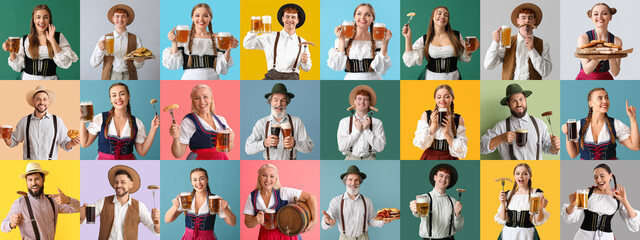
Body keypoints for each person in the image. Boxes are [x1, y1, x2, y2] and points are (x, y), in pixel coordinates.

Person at [79, 82, 160, 160]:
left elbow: (142, 152)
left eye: (122, 94)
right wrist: (82, 121)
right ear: (111, 99)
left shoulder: (137, 123)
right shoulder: (100, 118)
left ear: (128, 96)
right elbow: (84, 143)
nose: (118, 98)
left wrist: (153, 128)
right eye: (114, 95)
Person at [480, 83, 560, 160]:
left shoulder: (539, 124)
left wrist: (554, 147)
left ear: (525, 100)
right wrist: (501, 138)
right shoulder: (501, 126)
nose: (519, 104)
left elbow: (549, 149)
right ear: (508, 104)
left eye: (521, 99)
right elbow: (481, 147)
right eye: (513, 101)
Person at [1, 162, 80, 240]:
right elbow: (2, 227)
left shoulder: (52, 201)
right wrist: (10, 224)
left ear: (43, 179)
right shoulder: (20, 203)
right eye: (30, 180)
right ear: (26, 182)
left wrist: (68, 200)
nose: (33, 183)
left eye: (37, 179)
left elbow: (77, 208)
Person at [561, 163, 640, 240]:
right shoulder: (586, 193)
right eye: (595, 177)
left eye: (602, 176)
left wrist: (625, 201)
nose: (599, 180)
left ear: (610, 176)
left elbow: (635, 225)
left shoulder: (617, 197)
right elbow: (569, 219)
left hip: (607, 237)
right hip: (584, 236)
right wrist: (572, 204)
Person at [80, 165, 160, 239]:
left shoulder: (140, 206)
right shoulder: (103, 202)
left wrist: (157, 223)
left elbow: (156, 231)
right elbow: (85, 220)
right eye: (116, 182)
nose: (118, 185)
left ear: (131, 184)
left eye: (123, 182)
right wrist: (82, 217)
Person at [162, 3, 238, 80]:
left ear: (210, 18)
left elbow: (222, 69)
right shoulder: (183, 37)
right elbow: (174, 65)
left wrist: (229, 48)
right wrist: (174, 42)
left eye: (205, 16)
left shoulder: (218, 38)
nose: (201, 19)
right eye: (197, 15)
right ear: (192, 18)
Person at [1, 4, 78, 80]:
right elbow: (18, 67)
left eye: (46, 17)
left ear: (49, 19)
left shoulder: (58, 36)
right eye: (38, 17)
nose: (42, 21)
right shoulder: (25, 40)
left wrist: (52, 40)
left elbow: (65, 62)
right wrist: (11, 51)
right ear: (34, 19)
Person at [3, 85, 80, 160]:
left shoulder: (57, 121)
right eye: (38, 99)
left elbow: (64, 143)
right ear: (33, 101)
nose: (41, 102)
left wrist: (71, 143)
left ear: (48, 102)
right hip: (30, 165)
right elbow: (13, 141)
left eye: (45, 99)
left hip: (51, 166)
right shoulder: (24, 121)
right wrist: (6, 138)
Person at [243, 163, 317, 239]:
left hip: (287, 235)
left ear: (276, 179)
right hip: (266, 237)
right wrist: (256, 220)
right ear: (259, 177)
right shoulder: (253, 196)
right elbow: (248, 223)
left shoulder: (283, 192)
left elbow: (311, 197)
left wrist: (314, 220)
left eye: (272, 176)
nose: (268, 179)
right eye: (264, 175)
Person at [561, 87, 639, 160]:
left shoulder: (615, 124)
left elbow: (635, 146)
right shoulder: (579, 125)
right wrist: (567, 134)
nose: (605, 101)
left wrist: (632, 119)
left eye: (606, 97)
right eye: (600, 98)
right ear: (590, 103)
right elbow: (573, 154)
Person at [402, 6, 475, 80]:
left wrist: (469, 51)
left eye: (446, 15)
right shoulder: (425, 39)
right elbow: (410, 60)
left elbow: (463, 57)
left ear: (447, 20)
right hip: (430, 78)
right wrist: (408, 38)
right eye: (439, 14)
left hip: (453, 78)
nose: (442, 16)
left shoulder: (456, 36)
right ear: (433, 18)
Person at [245, 83, 314, 160]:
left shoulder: (296, 121)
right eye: (276, 100)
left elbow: (309, 147)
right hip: (270, 166)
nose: (279, 104)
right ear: (270, 102)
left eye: (283, 100)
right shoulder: (261, 123)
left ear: (287, 102)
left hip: (291, 167)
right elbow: (248, 149)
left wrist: (295, 143)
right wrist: (264, 143)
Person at [483, 3, 552, 80]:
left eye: (530, 17)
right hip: (510, 89)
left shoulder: (543, 44)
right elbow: (488, 66)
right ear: (517, 21)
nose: (527, 21)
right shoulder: (506, 42)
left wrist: (532, 50)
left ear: (534, 21)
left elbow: (545, 72)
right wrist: (495, 43)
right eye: (523, 17)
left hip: (533, 89)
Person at [243, 3, 311, 80]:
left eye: (293, 17)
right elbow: (247, 44)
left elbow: (307, 68)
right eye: (287, 16)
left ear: (297, 20)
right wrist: (255, 30)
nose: (290, 20)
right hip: (272, 76)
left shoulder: (302, 42)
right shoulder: (270, 36)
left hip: (292, 78)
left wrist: (304, 61)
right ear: (282, 18)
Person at [165, 167, 236, 240]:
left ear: (207, 180)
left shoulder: (214, 199)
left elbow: (233, 223)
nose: (198, 182)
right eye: (194, 180)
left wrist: (226, 209)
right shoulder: (186, 199)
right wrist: (175, 206)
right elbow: (167, 219)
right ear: (191, 182)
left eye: (202, 179)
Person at [322, 165, 391, 239]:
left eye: (356, 180)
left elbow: (370, 220)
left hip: (363, 238)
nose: (353, 183)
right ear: (345, 182)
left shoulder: (367, 201)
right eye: (350, 179)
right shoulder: (336, 201)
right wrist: (327, 221)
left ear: (360, 182)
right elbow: (330, 218)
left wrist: (382, 221)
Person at [327, 3, 392, 80]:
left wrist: (385, 44)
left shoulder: (378, 41)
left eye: (367, 15)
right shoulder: (344, 40)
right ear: (354, 17)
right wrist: (341, 39)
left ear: (372, 19)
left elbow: (381, 70)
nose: (362, 17)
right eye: (359, 14)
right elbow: (337, 66)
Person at [169, 84, 235, 160]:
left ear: (211, 99)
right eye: (197, 98)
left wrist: (231, 141)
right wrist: (176, 138)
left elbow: (229, 148)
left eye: (205, 97)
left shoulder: (221, 120)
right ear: (193, 101)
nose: (202, 102)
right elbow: (178, 154)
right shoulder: (189, 121)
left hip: (221, 159)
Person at [89, 4, 147, 80]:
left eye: (123, 16)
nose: (120, 19)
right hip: (110, 76)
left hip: (130, 76)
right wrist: (101, 50)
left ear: (127, 19)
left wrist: (138, 61)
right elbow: (93, 64)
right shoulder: (104, 38)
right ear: (113, 18)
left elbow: (138, 66)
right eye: (117, 16)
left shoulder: (135, 38)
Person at [409, 163, 463, 239]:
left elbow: (458, 228)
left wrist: (458, 214)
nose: (444, 179)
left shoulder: (453, 201)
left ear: (449, 181)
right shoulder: (424, 198)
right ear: (435, 177)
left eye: (447, 177)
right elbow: (418, 214)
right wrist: (415, 209)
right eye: (441, 175)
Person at [496, 163, 549, 240]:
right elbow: (503, 219)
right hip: (509, 234)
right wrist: (503, 203)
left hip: (526, 235)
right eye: (517, 173)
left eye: (524, 174)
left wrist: (541, 207)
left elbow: (537, 220)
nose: (520, 176)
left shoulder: (536, 194)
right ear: (514, 176)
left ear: (530, 176)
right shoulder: (508, 194)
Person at [413, 85, 467, 160]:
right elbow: (420, 144)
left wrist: (447, 133)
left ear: (452, 99)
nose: (442, 100)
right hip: (430, 157)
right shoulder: (427, 115)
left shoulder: (458, 119)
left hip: (450, 157)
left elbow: (462, 150)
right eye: (439, 97)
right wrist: (432, 127)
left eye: (446, 97)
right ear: (435, 99)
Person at [337, 85, 385, 160]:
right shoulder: (344, 122)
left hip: (370, 159)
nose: (362, 102)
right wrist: (357, 131)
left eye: (365, 99)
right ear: (354, 101)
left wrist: (367, 130)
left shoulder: (377, 122)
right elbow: (341, 147)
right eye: (359, 98)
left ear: (369, 103)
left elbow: (380, 148)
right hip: (350, 158)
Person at [576, 3, 622, 80]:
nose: (600, 16)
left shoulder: (617, 41)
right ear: (591, 18)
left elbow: (615, 73)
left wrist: (611, 57)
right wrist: (597, 58)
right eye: (596, 14)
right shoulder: (584, 38)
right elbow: (587, 70)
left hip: (606, 79)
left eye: (604, 13)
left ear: (610, 17)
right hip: (584, 79)